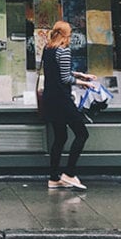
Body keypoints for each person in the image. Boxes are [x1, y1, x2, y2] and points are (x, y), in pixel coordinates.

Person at [41, 20, 97, 191]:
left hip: (50, 99)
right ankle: (69, 173)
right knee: (82, 133)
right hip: (62, 100)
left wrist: (80, 75)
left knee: (60, 138)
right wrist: (85, 83)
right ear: (66, 35)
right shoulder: (64, 50)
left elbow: (59, 71)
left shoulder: (48, 49)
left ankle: (53, 178)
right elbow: (65, 78)